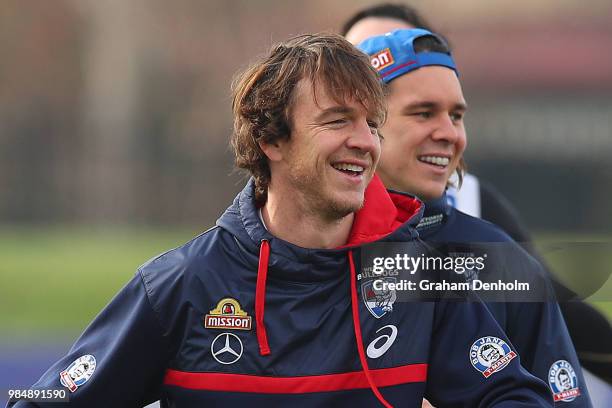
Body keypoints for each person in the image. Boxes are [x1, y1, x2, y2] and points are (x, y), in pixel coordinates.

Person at [8, 33, 553, 408]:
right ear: (270, 139)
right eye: (338, 121)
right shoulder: (183, 285)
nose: (365, 143)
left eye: (372, 123)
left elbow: (512, 396)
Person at [342, 2, 612, 385]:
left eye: (455, 115)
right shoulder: (287, 226)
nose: (449, 133)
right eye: (423, 112)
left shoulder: (474, 216)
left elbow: (562, 326)